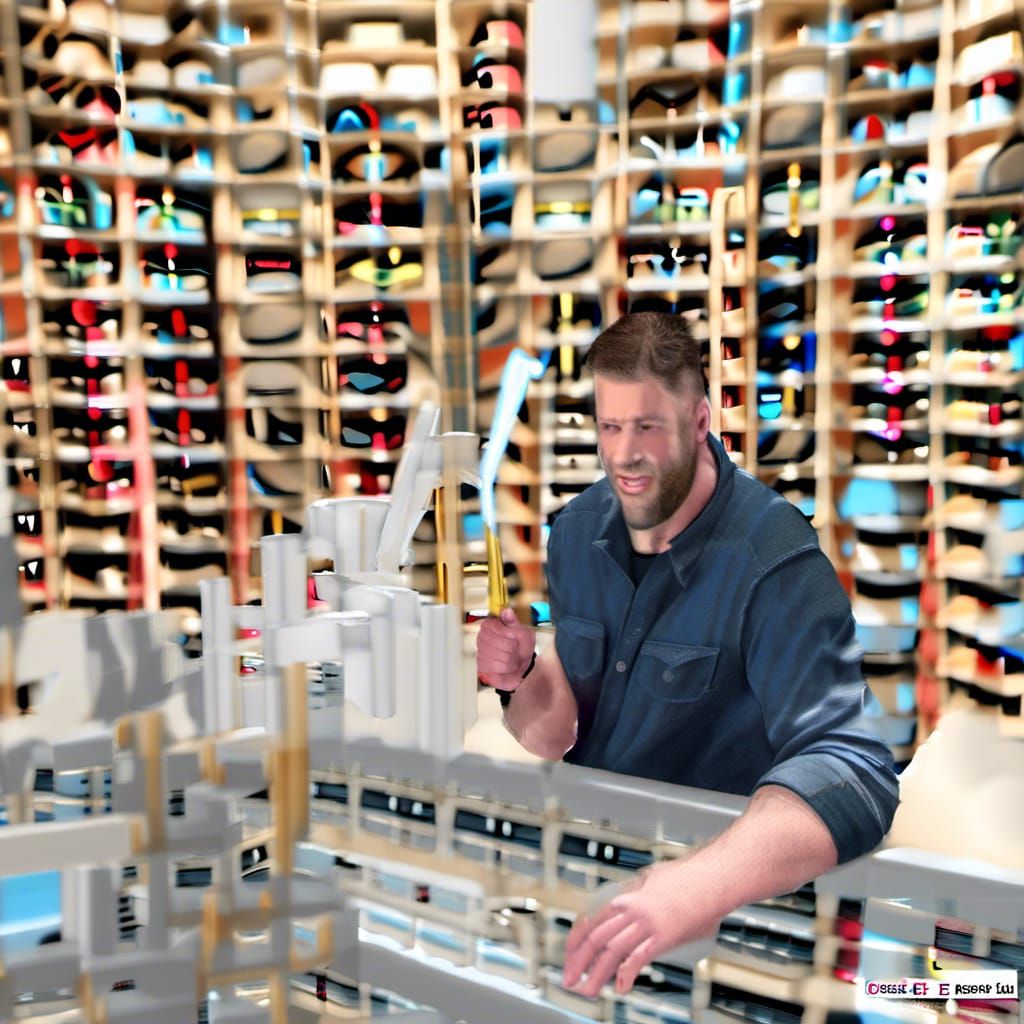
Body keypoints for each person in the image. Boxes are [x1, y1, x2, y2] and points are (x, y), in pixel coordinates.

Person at [475, 311, 899, 998]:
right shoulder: (577, 533)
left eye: (647, 427)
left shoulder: (773, 559)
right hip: (601, 895)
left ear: (701, 422)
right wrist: (522, 676)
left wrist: (693, 887)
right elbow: (561, 734)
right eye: (609, 427)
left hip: (731, 928)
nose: (624, 455)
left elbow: (854, 770)